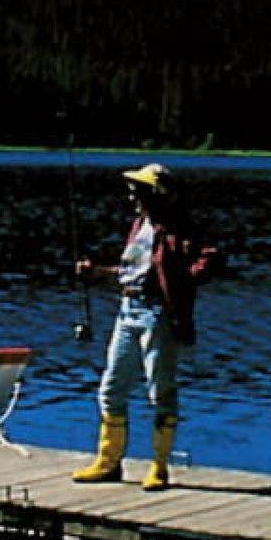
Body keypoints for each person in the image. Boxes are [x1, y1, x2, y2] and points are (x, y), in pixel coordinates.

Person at [73, 162, 215, 488]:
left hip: (158, 314)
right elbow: (131, 273)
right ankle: (108, 463)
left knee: (160, 390)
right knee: (111, 388)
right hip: (128, 311)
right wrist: (97, 273)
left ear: (157, 193)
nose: (132, 196)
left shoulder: (180, 227)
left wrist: (182, 282)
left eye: (139, 190)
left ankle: (159, 467)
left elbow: (210, 259)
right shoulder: (139, 225)